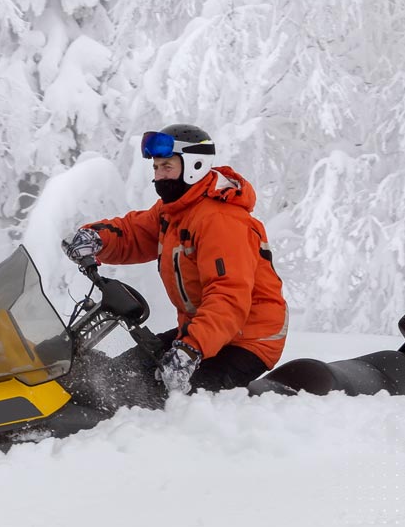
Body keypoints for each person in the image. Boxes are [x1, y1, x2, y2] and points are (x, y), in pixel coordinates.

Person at [60, 124, 288, 409]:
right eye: (155, 168)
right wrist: (96, 237)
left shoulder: (221, 220)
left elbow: (228, 297)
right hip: (204, 332)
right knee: (118, 377)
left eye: (166, 166)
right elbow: (134, 233)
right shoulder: (177, 210)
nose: (158, 176)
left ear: (194, 165)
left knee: (164, 403)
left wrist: (189, 350)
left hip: (246, 341)